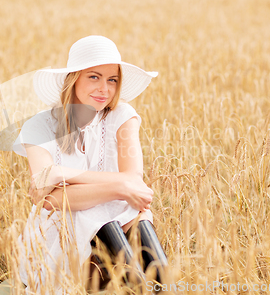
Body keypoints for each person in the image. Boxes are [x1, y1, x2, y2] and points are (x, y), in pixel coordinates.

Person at [12, 35, 168, 293]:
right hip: (59, 229)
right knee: (99, 221)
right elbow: (48, 200)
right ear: (74, 79)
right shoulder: (38, 126)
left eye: (112, 80)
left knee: (158, 271)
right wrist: (120, 188)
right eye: (94, 77)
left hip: (120, 217)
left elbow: (134, 182)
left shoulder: (122, 116)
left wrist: (62, 176)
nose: (104, 89)